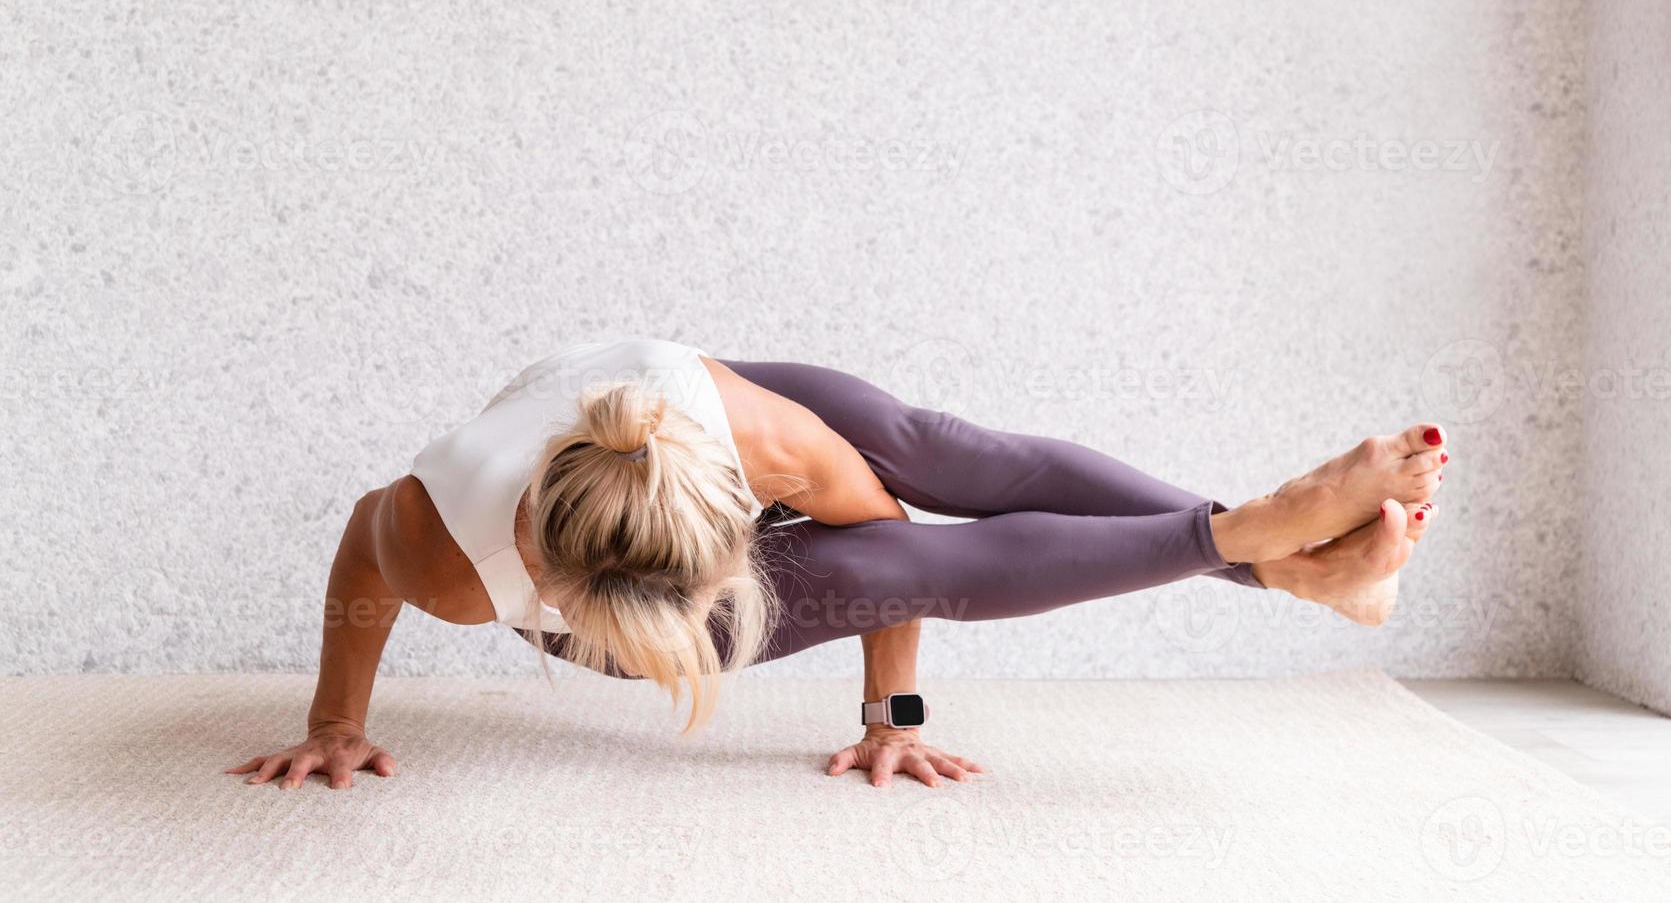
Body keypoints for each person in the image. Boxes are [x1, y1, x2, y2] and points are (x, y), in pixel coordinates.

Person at [227, 339, 1445, 791]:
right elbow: (357, 543)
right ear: (536, 559)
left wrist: (890, 711)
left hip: (691, 394)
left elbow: (893, 548)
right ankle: (1262, 551)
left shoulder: (756, 439)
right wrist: (336, 717)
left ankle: (1271, 542)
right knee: (886, 553)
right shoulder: (446, 554)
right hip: (629, 490)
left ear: (738, 519)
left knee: (932, 451)